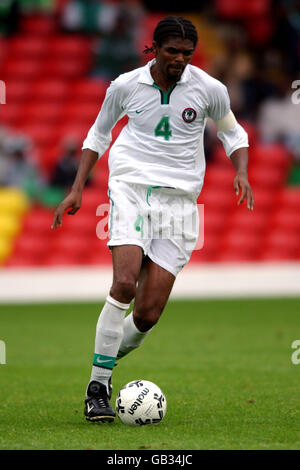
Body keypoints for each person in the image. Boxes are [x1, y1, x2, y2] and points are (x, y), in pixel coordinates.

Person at [51, 16, 254, 423]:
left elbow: (233, 133)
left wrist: (242, 171)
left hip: (180, 205)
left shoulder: (209, 89)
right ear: (154, 49)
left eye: (187, 53)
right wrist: (76, 188)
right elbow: (98, 134)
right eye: (172, 51)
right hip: (129, 190)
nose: (179, 59)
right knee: (124, 282)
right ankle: (97, 385)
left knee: (146, 315)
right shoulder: (125, 86)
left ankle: (107, 360)